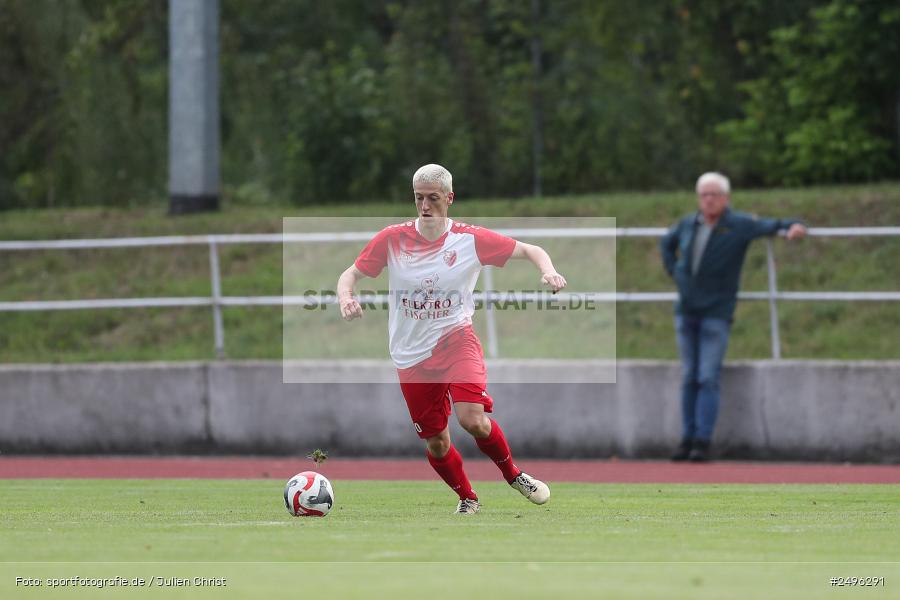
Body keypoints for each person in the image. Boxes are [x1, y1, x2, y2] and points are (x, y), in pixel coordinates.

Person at [337, 163, 567, 514]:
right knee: (437, 442)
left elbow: (531, 250)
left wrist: (548, 271)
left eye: (433, 198)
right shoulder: (392, 238)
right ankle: (468, 498)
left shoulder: (470, 240)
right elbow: (350, 275)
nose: (425, 206)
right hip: (411, 354)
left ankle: (514, 475)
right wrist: (346, 298)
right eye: (418, 198)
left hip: (456, 339)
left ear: (449, 198)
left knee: (472, 419)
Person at [660, 172, 807, 462]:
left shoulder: (738, 224)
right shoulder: (689, 223)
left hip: (717, 312)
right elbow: (666, 242)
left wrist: (796, 226)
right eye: (704, 195)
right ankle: (686, 438)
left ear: (725, 198)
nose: (709, 200)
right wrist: (676, 272)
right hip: (686, 310)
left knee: (707, 377)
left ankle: (702, 441)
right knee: (689, 376)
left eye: (714, 194)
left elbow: (774, 224)